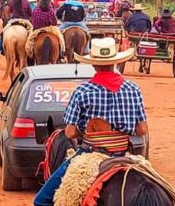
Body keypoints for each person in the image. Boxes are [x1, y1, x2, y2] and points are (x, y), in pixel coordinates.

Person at [32, 37, 146, 206]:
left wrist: (88, 130)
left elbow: (70, 132)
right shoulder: (133, 88)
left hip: (90, 155)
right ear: (115, 62)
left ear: (93, 64)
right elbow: (142, 129)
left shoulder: (83, 91)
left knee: (41, 201)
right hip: (124, 154)